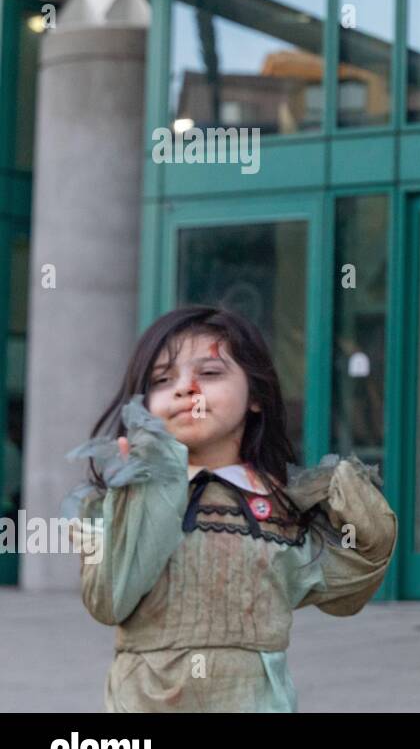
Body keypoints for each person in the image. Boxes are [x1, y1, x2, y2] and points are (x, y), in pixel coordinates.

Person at [69, 305, 397, 712]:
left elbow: (346, 586)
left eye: (209, 373)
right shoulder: (118, 500)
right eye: (162, 379)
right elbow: (109, 599)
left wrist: (360, 513)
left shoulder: (278, 504)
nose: (186, 388)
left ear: (255, 397)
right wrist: (149, 484)